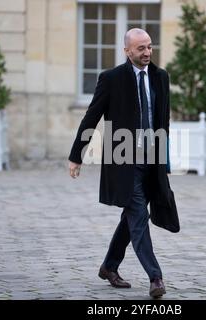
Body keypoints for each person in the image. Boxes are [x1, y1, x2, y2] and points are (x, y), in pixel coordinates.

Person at [68, 28, 173, 298]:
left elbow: (164, 122)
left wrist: (165, 160)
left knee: (131, 218)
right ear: (127, 51)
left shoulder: (161, 77)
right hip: (124, 160)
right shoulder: (111, 79)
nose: (147, 52)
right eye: (141, 48)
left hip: (152, 160)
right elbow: (91, 117)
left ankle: (109, 266)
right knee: (139, 216)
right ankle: (156, 277)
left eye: (149, 47)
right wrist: (76, 155)